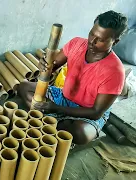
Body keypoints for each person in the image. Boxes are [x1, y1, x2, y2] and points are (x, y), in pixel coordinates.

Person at [18, 10, 128, 144]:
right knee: (24, 87)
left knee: (80, 133)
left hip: (87, 111)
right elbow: (52, 66)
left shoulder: (115, 72)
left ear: (115, 42)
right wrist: (45, 66)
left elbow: (96, 112)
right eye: (92, 34)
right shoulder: (76, 44)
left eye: (100, 39)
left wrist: (56, 108)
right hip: (64, 97)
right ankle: (55, 120)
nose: (92, 41)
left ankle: (52, 117)